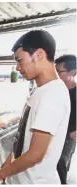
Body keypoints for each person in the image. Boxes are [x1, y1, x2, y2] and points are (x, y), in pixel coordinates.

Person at [0, 30, 71, 184]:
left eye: (19, 60)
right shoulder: (40, 89)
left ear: (39, 54)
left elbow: (35, 154)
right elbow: (23, 138)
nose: (17, 68)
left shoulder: (53, 95)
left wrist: (0, 174)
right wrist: (8, 164)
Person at [55, 55, 76, 184]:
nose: (56, 74)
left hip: (67, 139)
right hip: (53, 136)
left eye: (59, 71)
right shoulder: (56, 90)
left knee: (60, 166)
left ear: (72, 72)